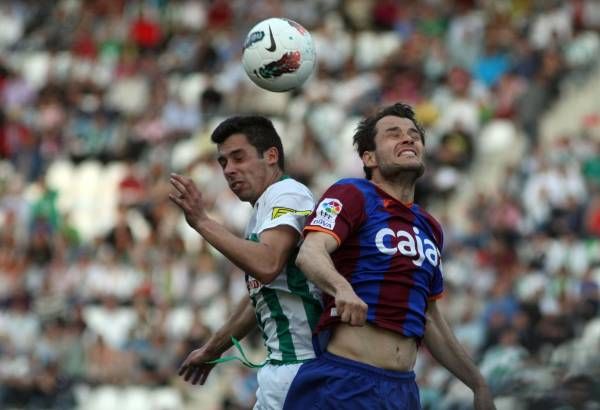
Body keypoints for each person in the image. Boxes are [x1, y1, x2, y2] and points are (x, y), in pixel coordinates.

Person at [283, 103, 495, 409]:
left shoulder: (430, 227)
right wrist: (342, 289)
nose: (408, 139)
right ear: (369, 157)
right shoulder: (352, 194)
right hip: (344, 382)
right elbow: (310, 252)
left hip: (403, 392)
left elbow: (429, 317)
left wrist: (477, 382)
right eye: (393, 135)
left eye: (414, 135)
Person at [169, 116, 322, 409]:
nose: (229, 170)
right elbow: (259, 296)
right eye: (223, 162)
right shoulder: (261, 210)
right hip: (284, 369)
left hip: (302, 367)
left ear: (271, 156)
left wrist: (202, 221)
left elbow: (268, 264)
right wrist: (212, 349)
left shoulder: (288, 193)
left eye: (238, 157)